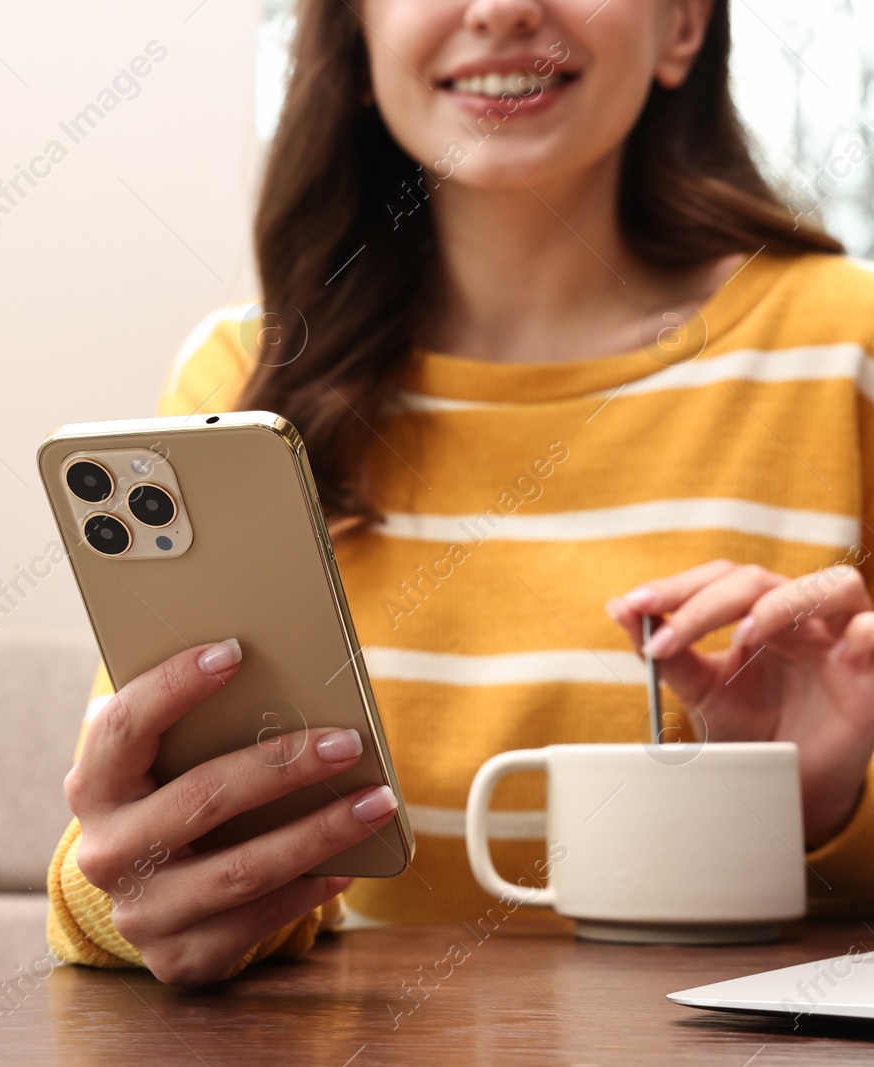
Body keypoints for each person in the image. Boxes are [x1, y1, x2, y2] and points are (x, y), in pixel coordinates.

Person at [46, 0, 874, 985]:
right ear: (353, 40)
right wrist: (127, 897)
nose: (502, 10)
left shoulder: (847, 350)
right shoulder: (243, 381)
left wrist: (827, 811)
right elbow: (130, 844)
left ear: (682, 26)